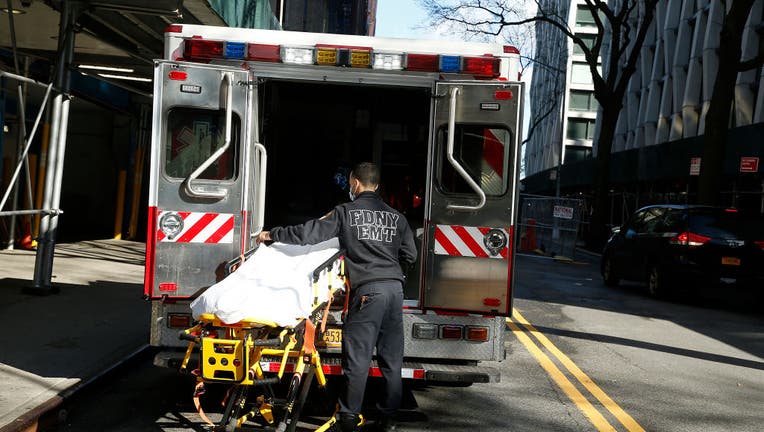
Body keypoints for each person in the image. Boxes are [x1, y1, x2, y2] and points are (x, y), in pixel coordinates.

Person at [256, 162, 417, 432]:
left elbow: (308, 233)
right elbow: (410, 256)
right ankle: (389, 418)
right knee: (391, 359)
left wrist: (272, 234)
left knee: (358, 359)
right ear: (377, 185)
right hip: (394, 291)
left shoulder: (346, 212)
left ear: (354, 183)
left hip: (368, 292)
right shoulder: (397, 217)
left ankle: (348, 418)